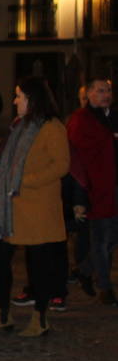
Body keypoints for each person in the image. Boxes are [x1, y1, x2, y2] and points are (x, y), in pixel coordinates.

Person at [0, 77, 70, 337]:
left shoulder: (52, 127)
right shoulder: (17, 126)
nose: (15, 100)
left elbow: (61, 165)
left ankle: (39, 318)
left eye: (19, 96)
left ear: (33, 99)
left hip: (36, 207)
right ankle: (2, 313)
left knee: (38, 265)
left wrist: (25, 182)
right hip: (8, 209)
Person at [67, 78, 117, 306]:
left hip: (113, 186)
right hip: (96, 189)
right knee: (101, 240)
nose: (105, 94)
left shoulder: (113, 117)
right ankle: (105, 286)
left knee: (111, 239)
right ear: (88, 95)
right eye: (100, 91)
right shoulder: (81, 120)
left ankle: (84, 270)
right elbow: (77, 159)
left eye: (108, 90)